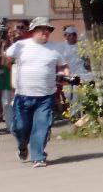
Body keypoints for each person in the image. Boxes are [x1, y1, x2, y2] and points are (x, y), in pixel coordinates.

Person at [4, 17, 67, 167]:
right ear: (34, 31)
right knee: (20, 127)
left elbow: (64, 66)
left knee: (41, 126)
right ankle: (22, 146)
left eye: (48, 29)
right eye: (41, 29)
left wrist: (65, 75)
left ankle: (38, 156)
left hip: (46, 96)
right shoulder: (21, 45)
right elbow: (6, 59)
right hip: (23, 95)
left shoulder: (55, 48)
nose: (45, 32)